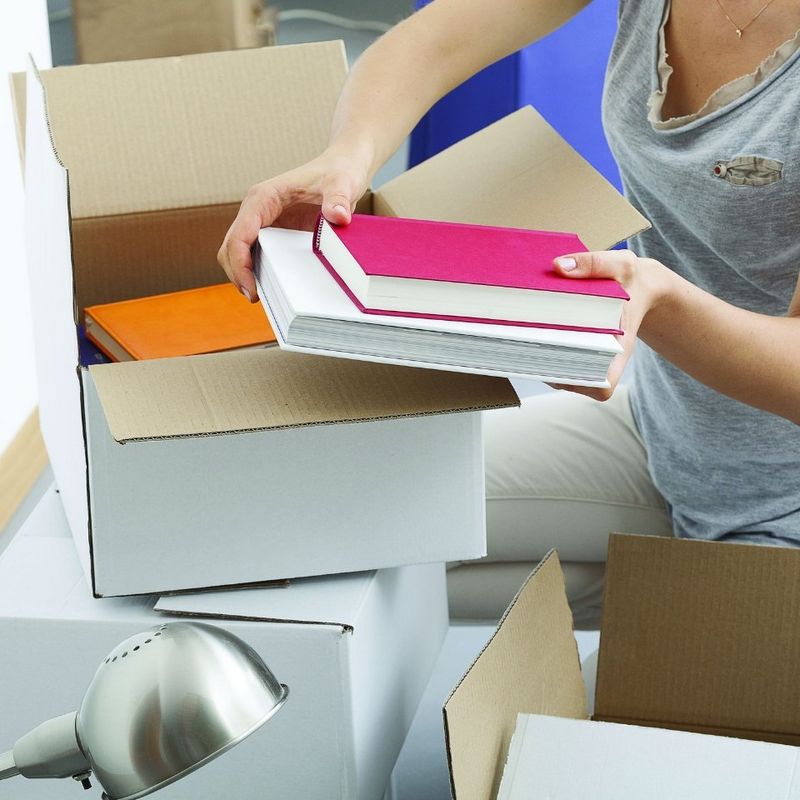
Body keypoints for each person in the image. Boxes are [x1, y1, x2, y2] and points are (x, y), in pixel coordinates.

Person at [218, 0, 800, 628]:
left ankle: (669, 610)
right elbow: (435, 40)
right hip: (664, 432)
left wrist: (658, 300)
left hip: (783, 506)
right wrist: (347, 159)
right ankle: (656, 594)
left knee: (580, 716)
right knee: (336, 526)